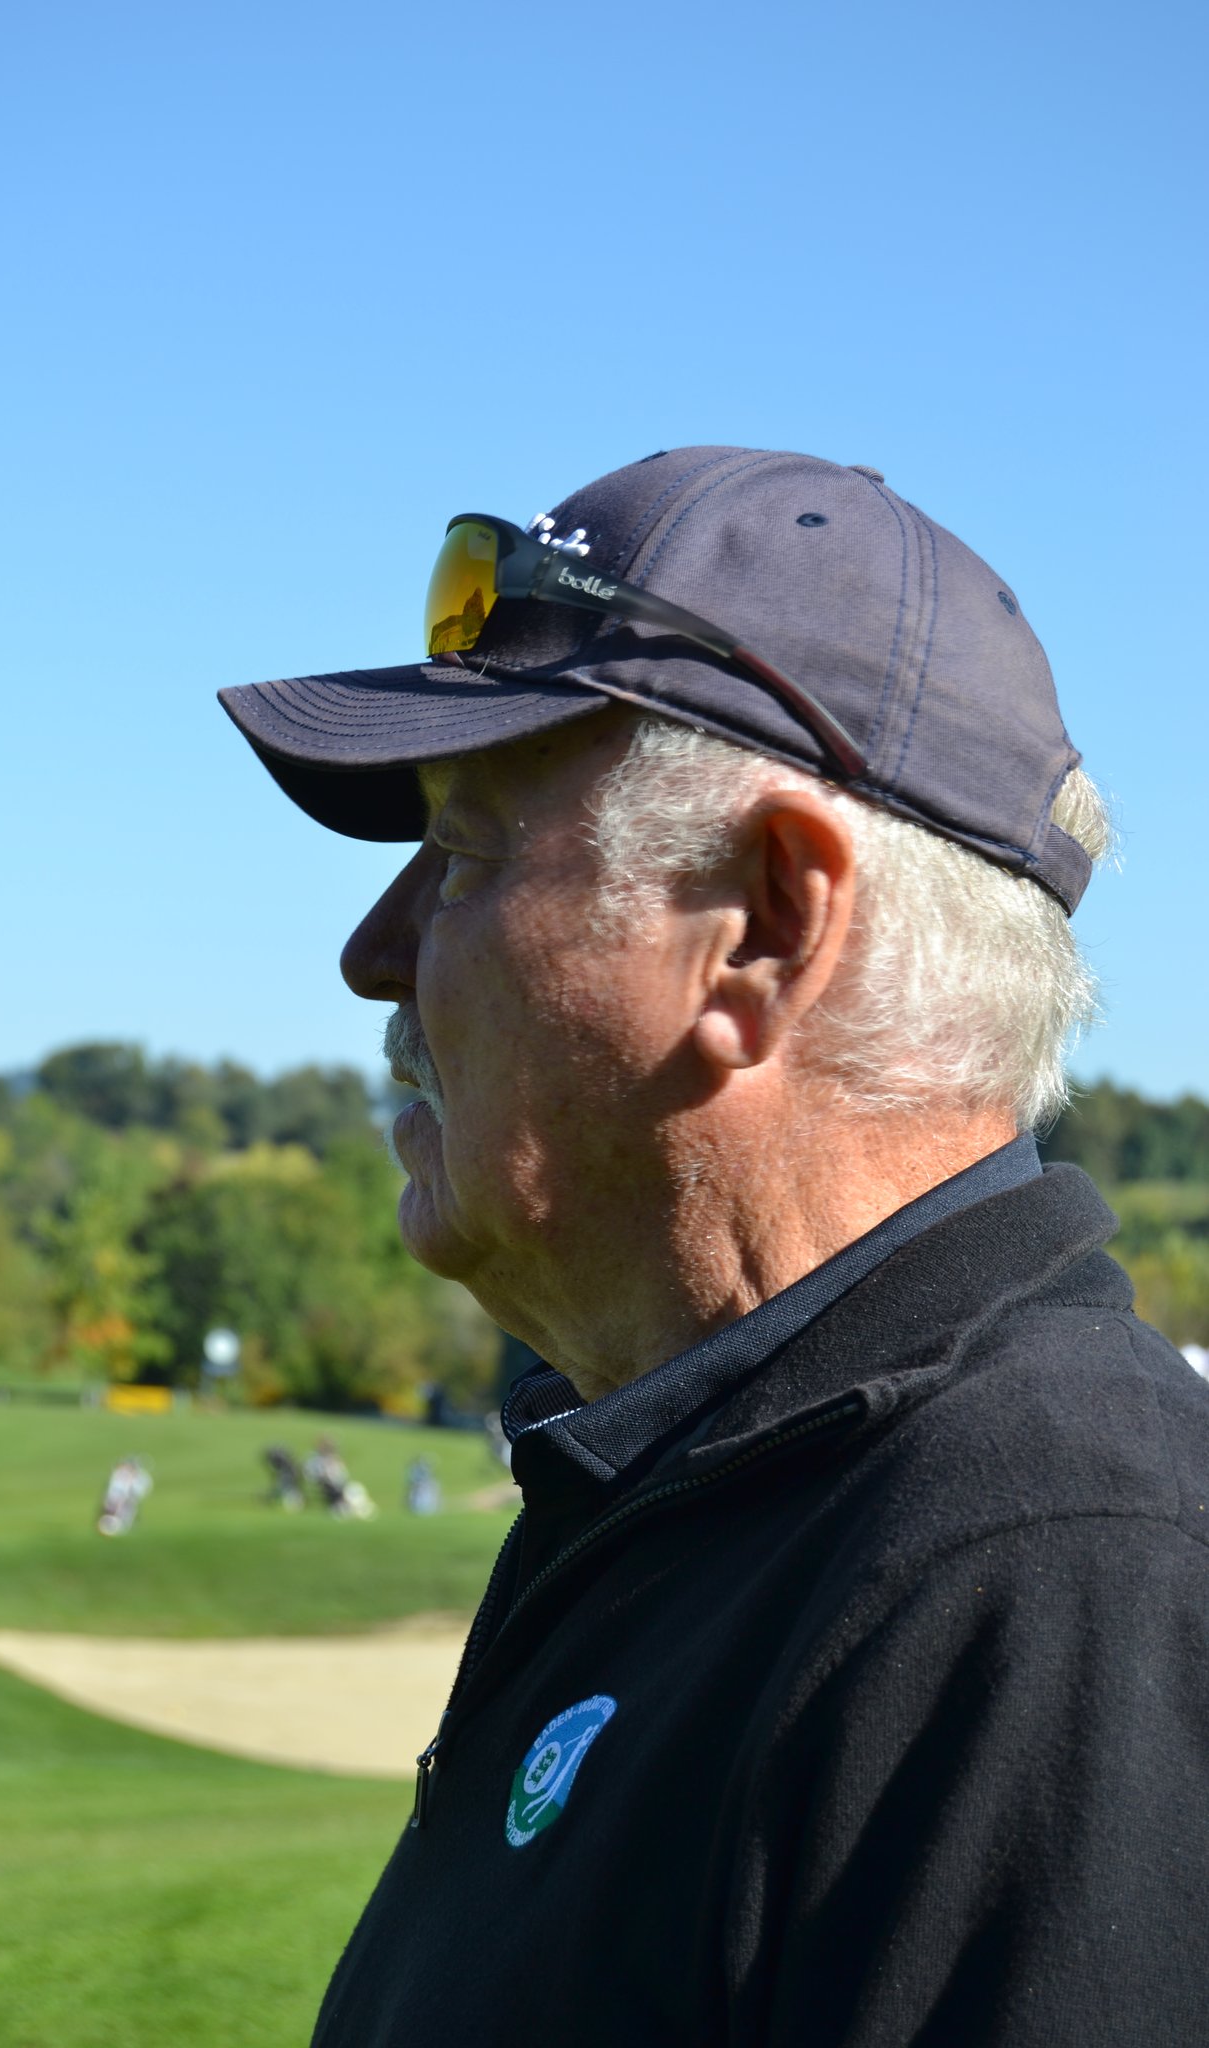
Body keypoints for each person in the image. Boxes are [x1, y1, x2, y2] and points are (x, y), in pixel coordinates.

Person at [219, 448, 1209, 2043]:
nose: (372, 952)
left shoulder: (1054, 1577)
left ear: (761, 921)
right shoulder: (726, 1478)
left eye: (464, 853)